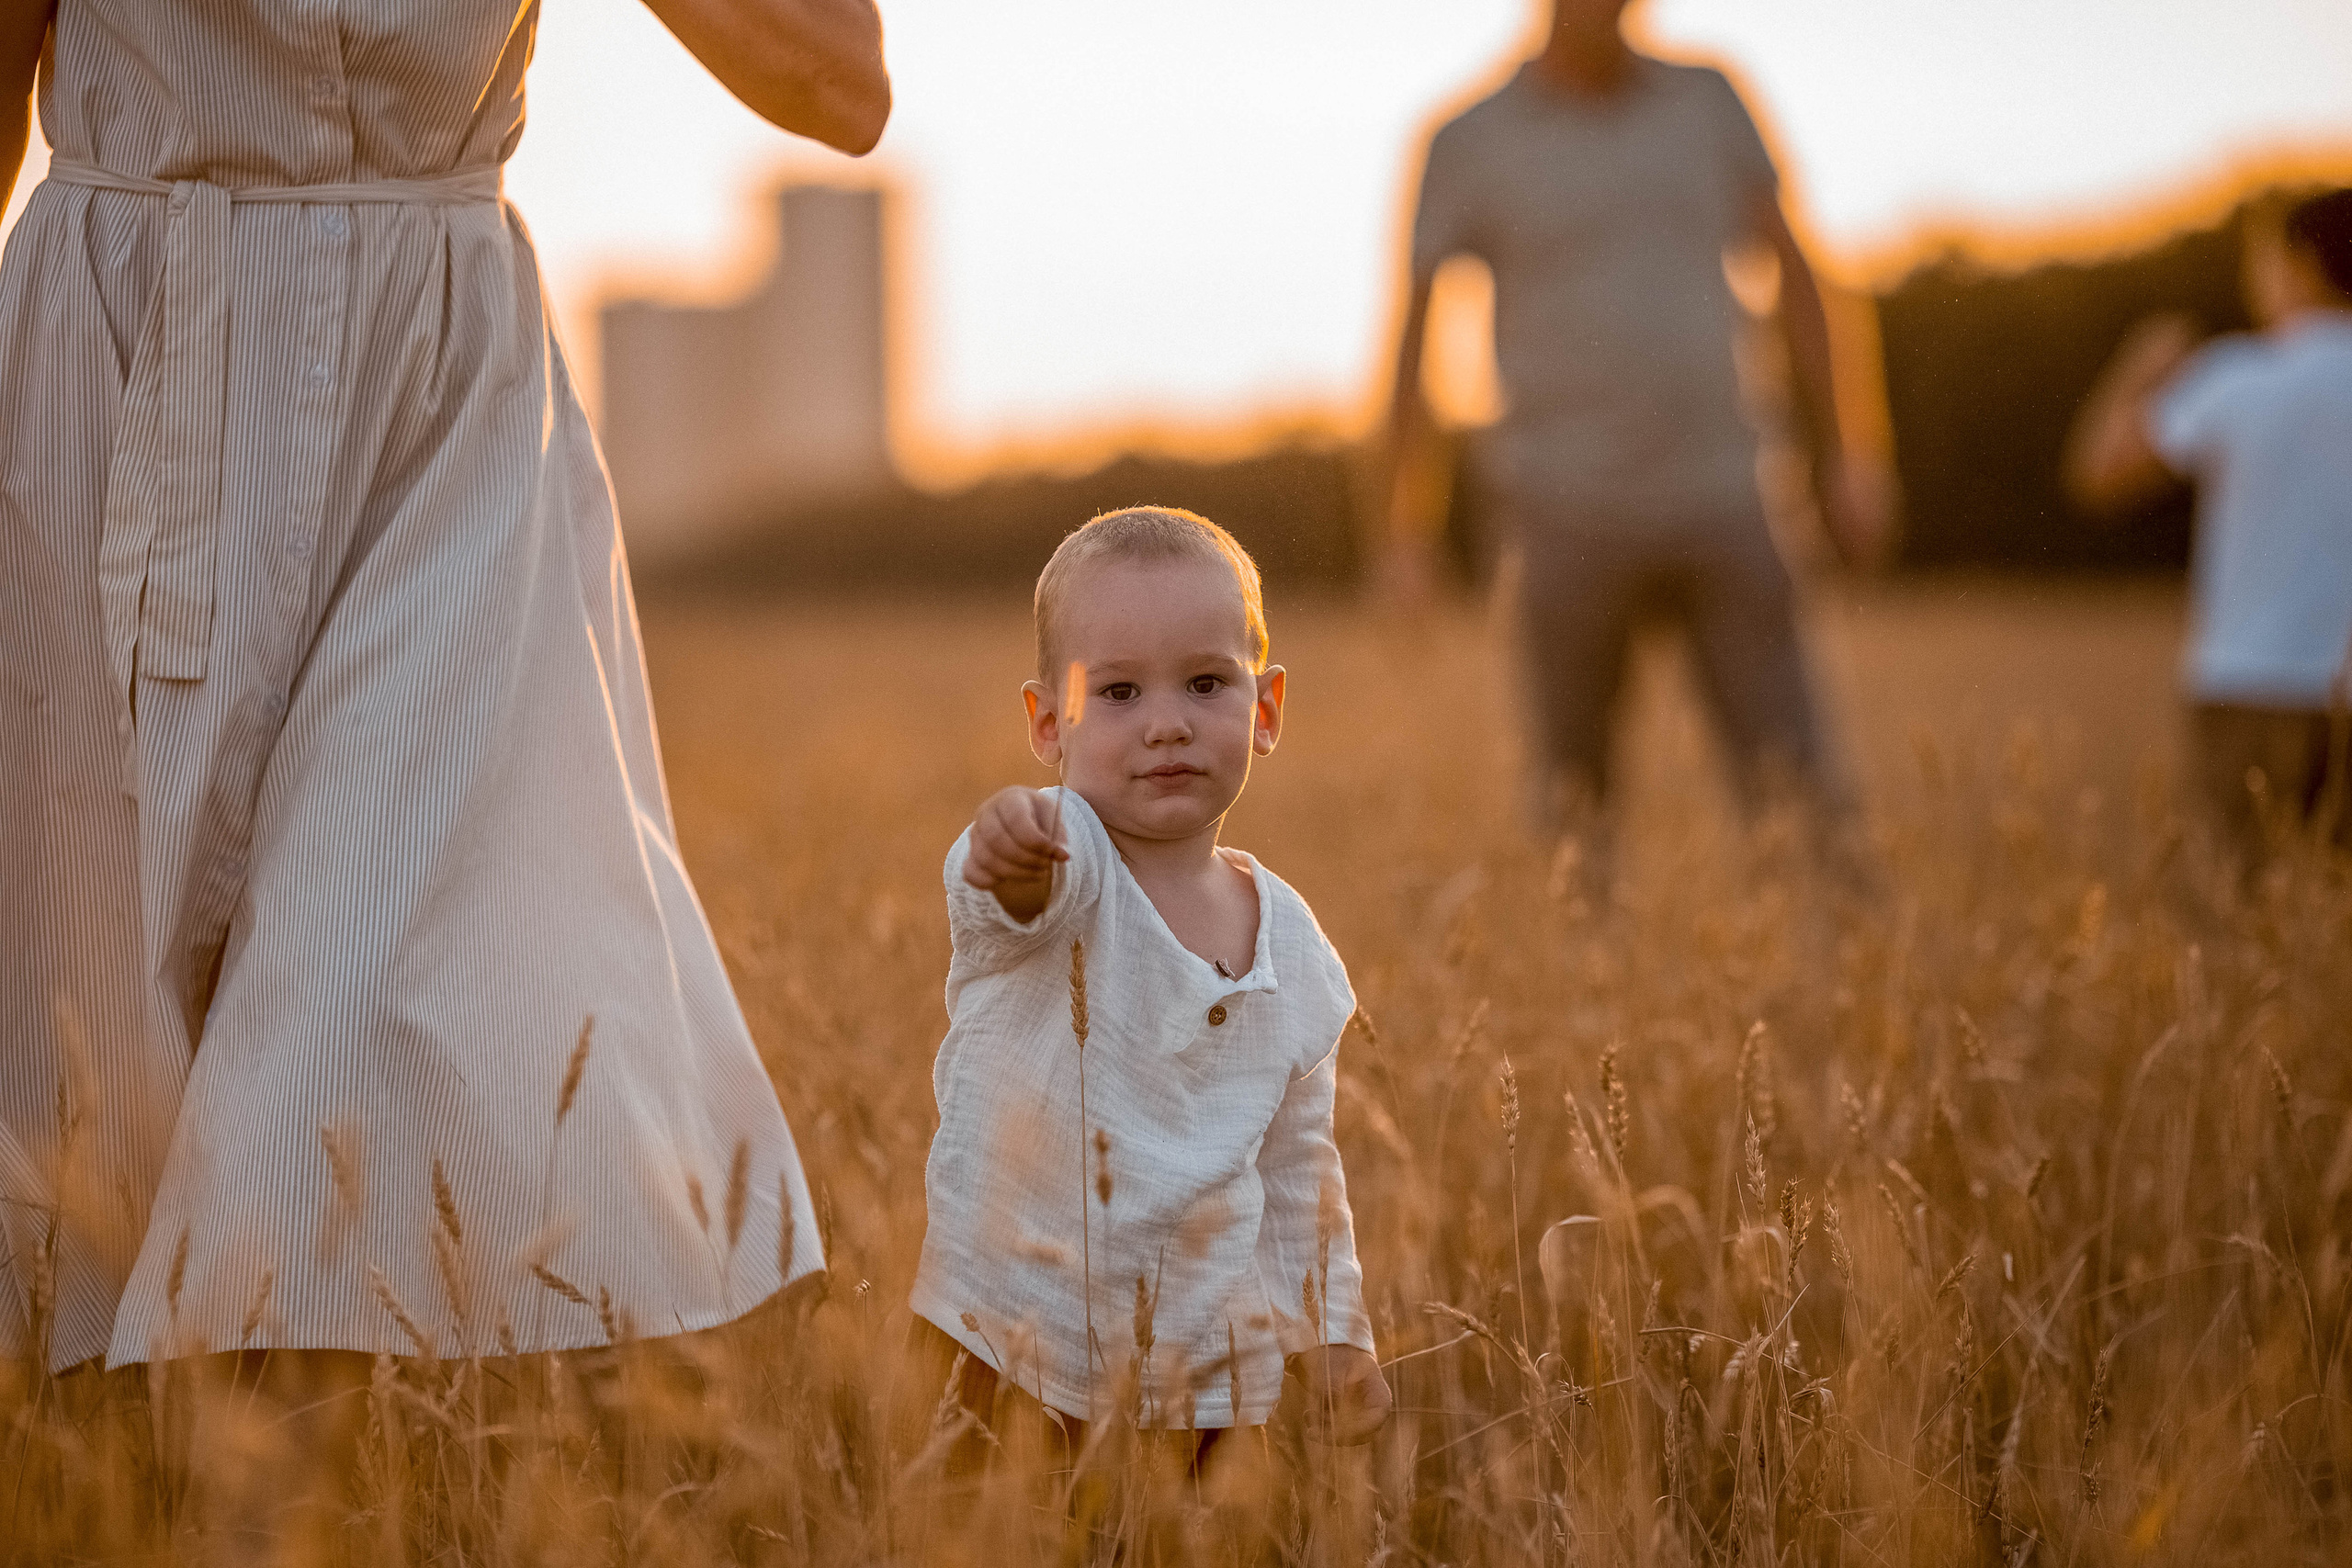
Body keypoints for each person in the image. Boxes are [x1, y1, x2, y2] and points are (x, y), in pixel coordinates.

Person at [0, 0, 884, 1417]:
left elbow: (843, 87)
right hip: (113, 375)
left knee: (343, 1037)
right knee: (84, 1086)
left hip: (441, 429)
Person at [904, 508, 1390, 1472]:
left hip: (1201, 1380)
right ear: (1047, 723)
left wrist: (1334, 1333)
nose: (1166, 721)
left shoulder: (1288, 938)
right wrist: (1007, 845)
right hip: (1007, 1339)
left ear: (1266, 708)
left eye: (1205, 683)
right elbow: (1013, 895)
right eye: (1117, 691)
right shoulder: (1066, 859)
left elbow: (1299, 1168)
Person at [1384, 0, 1887, 866]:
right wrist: (1404, 529)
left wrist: (1855, 454)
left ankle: (1845, 977)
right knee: (1576, 823)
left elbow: (1800, 275)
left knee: (1805, 802)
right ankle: (1590, 997)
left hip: (1727, 493)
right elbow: (1414, 341)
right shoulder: (1468, 139)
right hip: (1561, 513)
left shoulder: (1710, 99)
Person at [2065, 188, 2352, 863]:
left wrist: (2139, 369)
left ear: (2302, 263)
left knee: (2235, 911)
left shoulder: (2238, 380)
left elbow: (2099, 475)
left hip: (2246, 687)